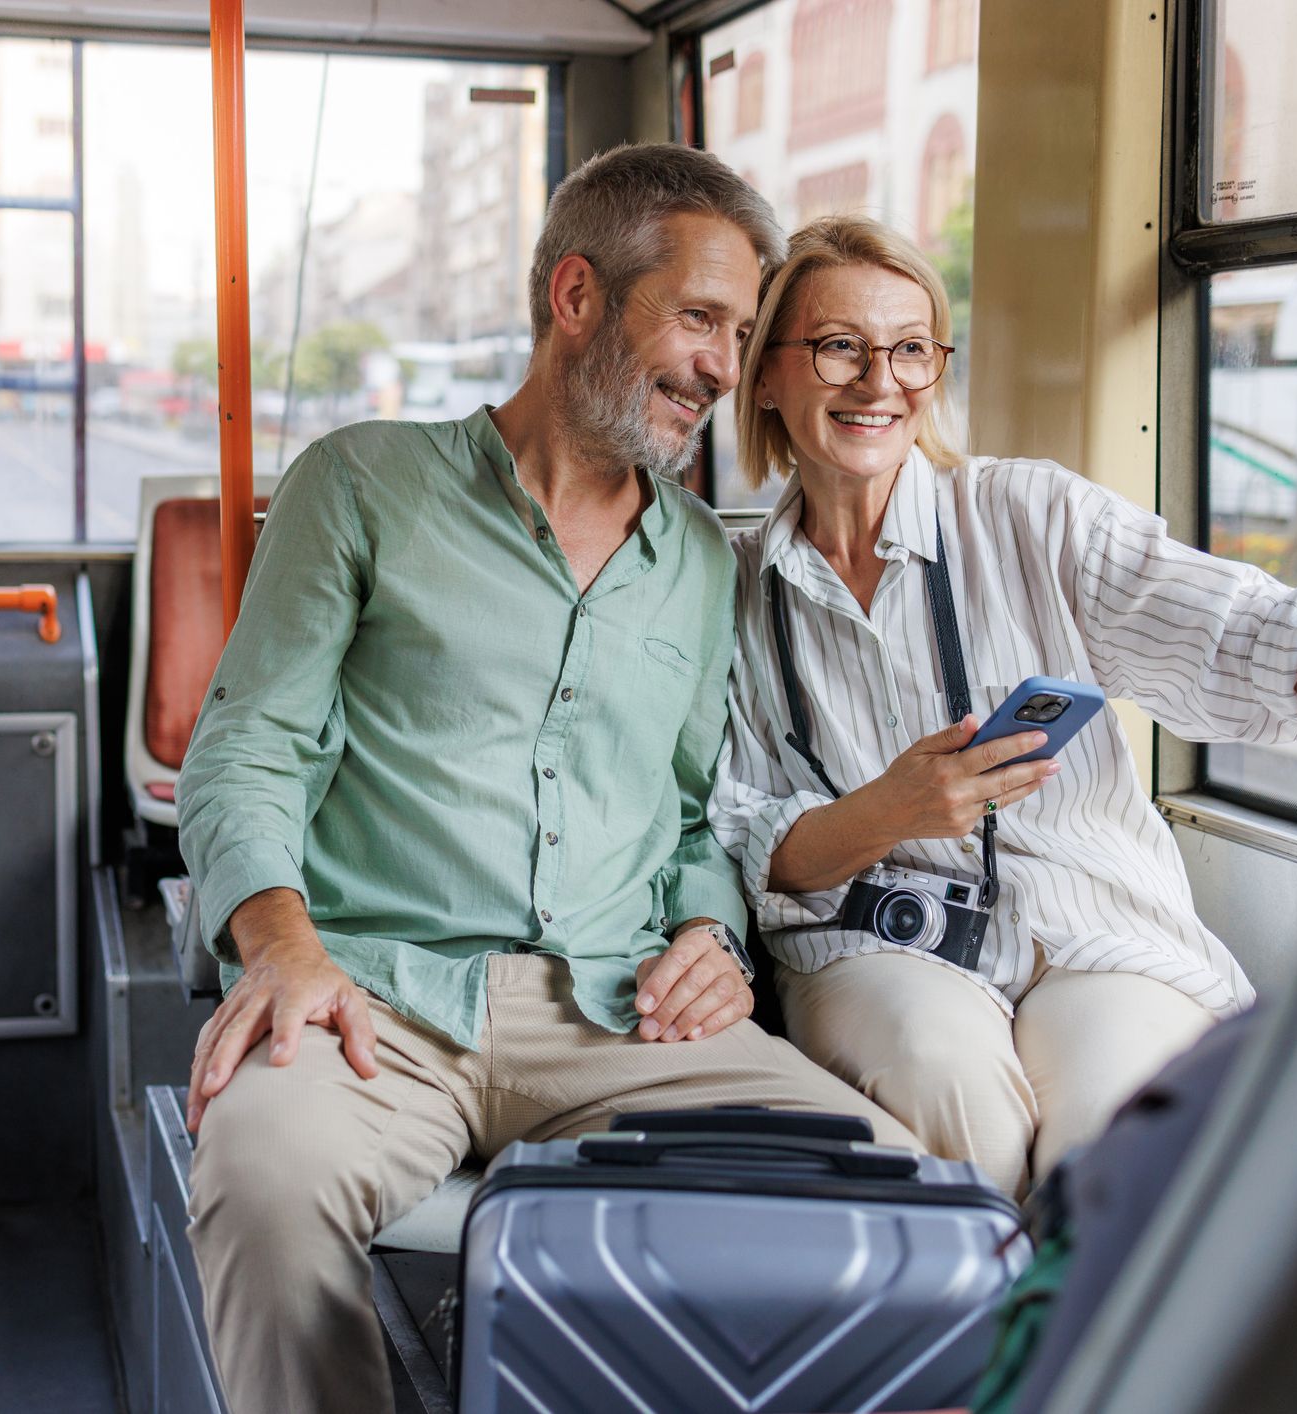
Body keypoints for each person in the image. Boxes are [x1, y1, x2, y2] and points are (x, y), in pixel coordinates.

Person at [174, 147, 920, 1414]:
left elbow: (689, 814)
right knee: (261, 1180)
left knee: (893, 1196)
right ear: (577, 296)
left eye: (740, 333)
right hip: (377, 1002)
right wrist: (281, 945)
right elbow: (248, 746)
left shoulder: (696, 556)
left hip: (622, 1019)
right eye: (697, 319)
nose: (723, 369)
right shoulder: (359, 486)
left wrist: (707, 930)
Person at [709, 214, 1297, 1198]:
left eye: (909, 350)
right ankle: (981, 1345)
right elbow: (740, 832)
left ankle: (1065, 1340)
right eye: (837, 346)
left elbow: (1245, 640)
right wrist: (887, 813)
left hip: (1088, 925)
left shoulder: (1031, 517)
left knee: (1102, 1157)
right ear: (765, 373)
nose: (878, 381)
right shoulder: (724, 584)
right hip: (868, 941)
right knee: (958, 1114)